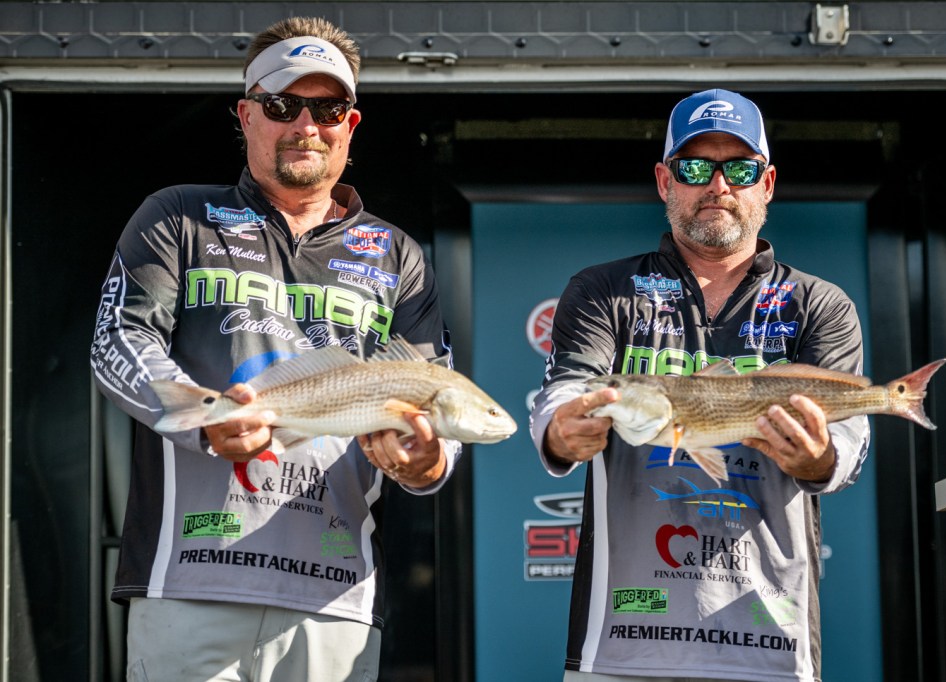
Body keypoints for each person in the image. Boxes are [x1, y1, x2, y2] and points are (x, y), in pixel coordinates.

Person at [90, 16, 459, 681]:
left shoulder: (398, 255)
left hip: (336, 596)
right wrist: (203, 417)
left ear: (351, 124)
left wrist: (428, 460)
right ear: (246, 114)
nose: (307, 125)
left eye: (329, 110)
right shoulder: (178, 216)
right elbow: (119, 338)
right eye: (284, 105)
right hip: (189, 578)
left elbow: (436, 395)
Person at [529, 89, 869, 682]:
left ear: (767, 184)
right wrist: (561, 431)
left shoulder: (820, 303)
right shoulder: (604, 289)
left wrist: (819, 457)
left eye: (740, 169)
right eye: (694, 168)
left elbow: (849, 441)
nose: (718, 185)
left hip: (771, 642)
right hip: (622, 643)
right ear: (665, 181)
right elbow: (564, 392)